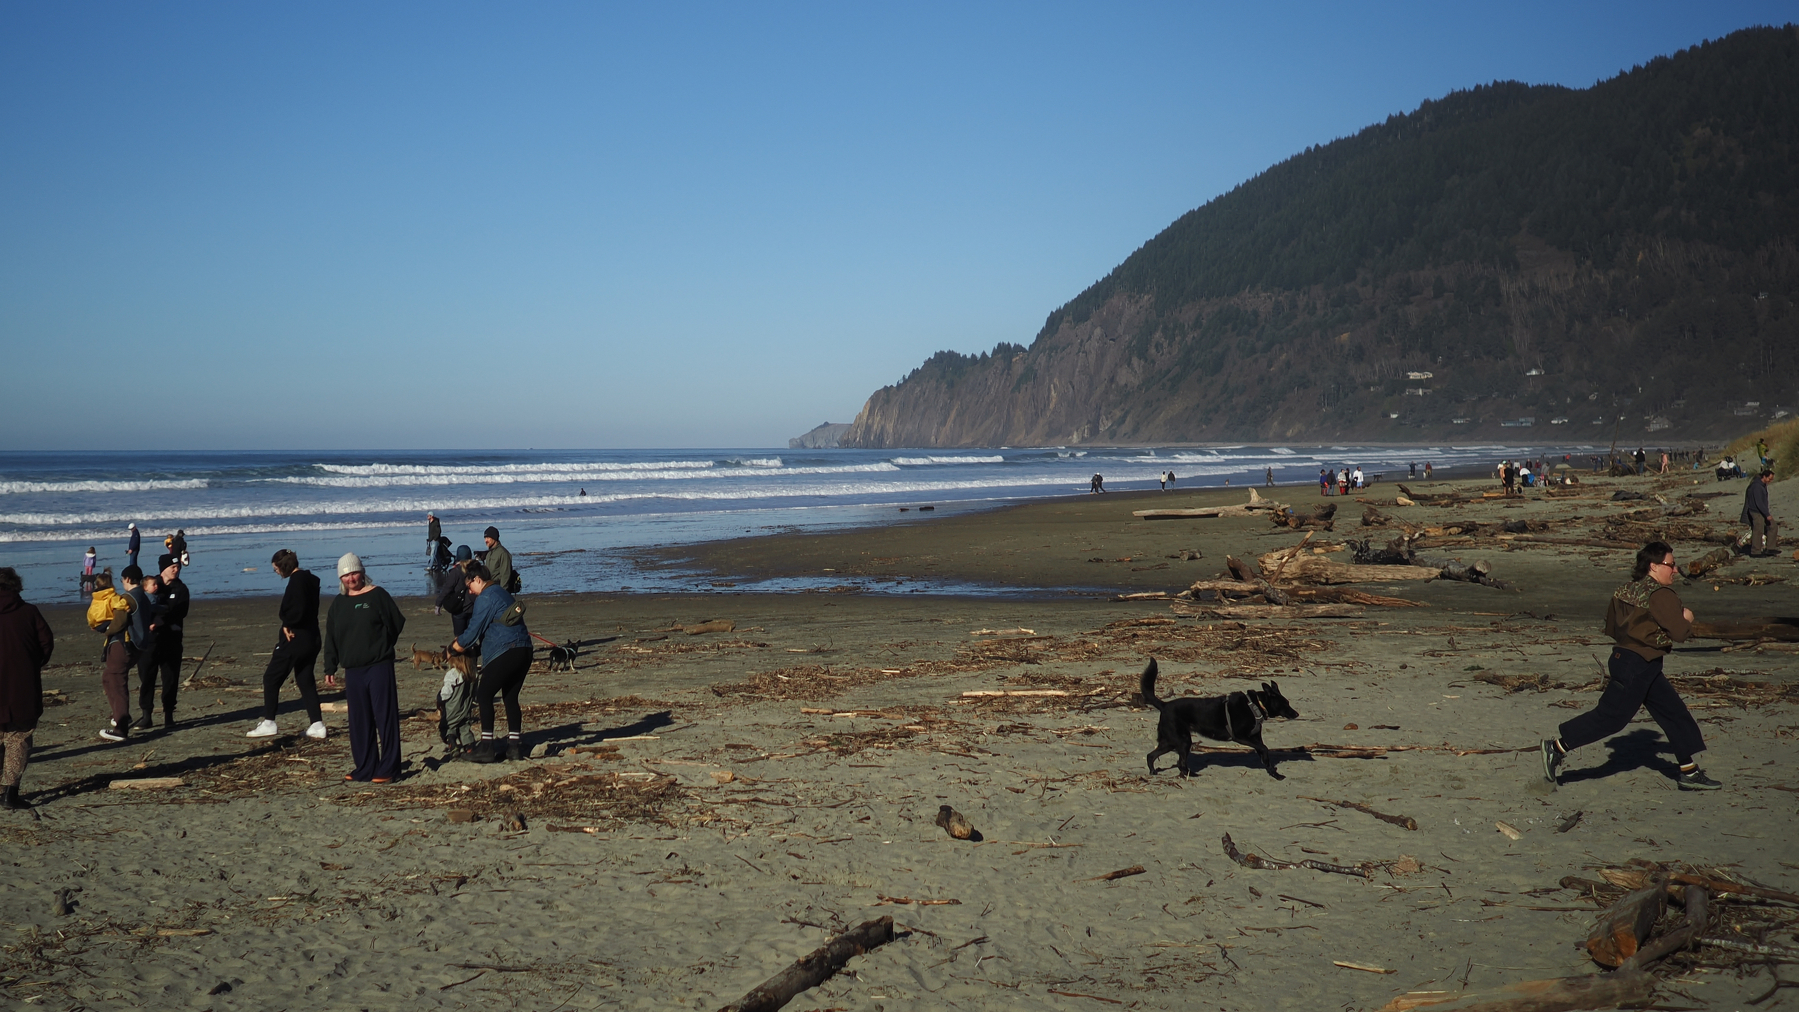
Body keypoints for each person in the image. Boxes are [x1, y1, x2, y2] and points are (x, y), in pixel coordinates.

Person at [1540, 541, 1720, 791]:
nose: (1675, 570)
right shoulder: (1661, 595)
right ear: (1654, 566)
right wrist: (1686, 618)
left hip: (1634, 662)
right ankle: (1557, 747)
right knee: (1611, 718)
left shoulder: (1624, 590)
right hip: (1638, 665)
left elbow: (1612, 628)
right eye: (1671, 564)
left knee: (1674, 713)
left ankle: (1689, 772)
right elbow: (1679, 633)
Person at [321, 553, 405, 782]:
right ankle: (365, 767)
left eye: (354, 573)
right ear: (341, 577)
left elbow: (396, 623)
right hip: (353, 670)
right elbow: (332, 637)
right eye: (346, 574)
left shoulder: (378, 595)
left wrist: (382, 645)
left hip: (379, 666)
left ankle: (389, 768)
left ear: (362, 573)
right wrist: (330, 666)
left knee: (384, 717)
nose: (351, 578)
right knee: (359, 721)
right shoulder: (338, 604)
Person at [451, 561, 532, 763]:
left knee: (484, 694)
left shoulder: (486, 597)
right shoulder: (502, 592)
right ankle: (514, 747)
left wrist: (454, 647)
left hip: (507, 650)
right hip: (524, 649)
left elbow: (473, 632)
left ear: (478, 580)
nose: (470, 591)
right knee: (510, 697)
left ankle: (487, 747)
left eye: (469, 586)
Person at [248, 550, 326, 740]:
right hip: (312, 637)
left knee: (271, 678)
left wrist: (288, 623)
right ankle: (317, 724)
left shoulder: (297, 581)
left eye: (276, 569)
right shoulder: (310, 579)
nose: (276, 572)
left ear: (283, 566)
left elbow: (297, 610)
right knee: (305, 679)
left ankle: (269, 722)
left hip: (295, 638)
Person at [0, 567, 54, 810]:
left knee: (15, 738)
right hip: (21, 687)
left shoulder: (30, 612)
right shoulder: (29, 612)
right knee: (18, 739)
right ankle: (9, 794)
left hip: (18, 685)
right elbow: (46, 645)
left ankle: (7, 793)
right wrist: (29, 665)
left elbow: (45, 645)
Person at [86, 569, 137, 742]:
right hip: (115, 638)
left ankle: (121, 725)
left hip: (116, 640)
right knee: (109, 678)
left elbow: (94, 619)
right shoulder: (115, 598)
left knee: (115, 680)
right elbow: (122, 614)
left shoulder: (96, 600)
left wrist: (104, 629)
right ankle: (121, 716)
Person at [142, 554, 189, 728]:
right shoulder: (151, 585)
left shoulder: (181, 589)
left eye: (178, 567)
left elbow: (181, 611)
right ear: (164, 568)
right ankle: (146, 714)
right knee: (147, 677)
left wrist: (164, 619)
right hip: (152, 641)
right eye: (173, 567)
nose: (176, 570)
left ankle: (169, 714)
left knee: (170, 677)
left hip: (172, 639)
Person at [129, 568, 163, 731]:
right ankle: (146, 714)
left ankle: (150, 715)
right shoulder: (146, 599)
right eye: (153, 585)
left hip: (153, 640)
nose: (156, 587)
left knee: (150, 678)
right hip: (145, 642)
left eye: (156, 584)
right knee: (146, 678)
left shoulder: (153, 598)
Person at [1743, 468, 1778, 558]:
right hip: (1756, 511)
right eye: (1769, 479)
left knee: (1773, 526)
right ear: (1764, 477)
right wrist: (1767, 514)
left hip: (1761, 511)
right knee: (1758, 530)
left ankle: (1770, 548)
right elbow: (1759, 503)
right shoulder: (1757, 486)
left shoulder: (1762, 485)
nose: (1770, 481)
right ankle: (1755, 551)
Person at [482, 526, 517, 593]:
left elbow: (506, 575)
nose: (486, 540)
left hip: (499, 589)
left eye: (488, 538)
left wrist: (503, 593)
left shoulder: (503, 553)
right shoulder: (489, 553)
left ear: (494, 538)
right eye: (485, 538)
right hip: (490, 588)